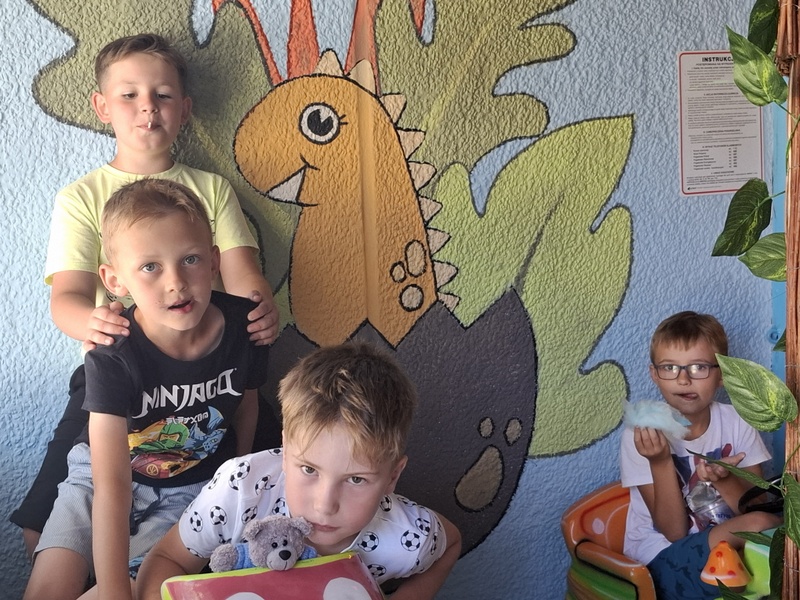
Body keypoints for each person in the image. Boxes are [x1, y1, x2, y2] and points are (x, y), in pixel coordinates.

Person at [10, 32, 280, 559]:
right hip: (120, 375)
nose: (148, 107)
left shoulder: (211, 189)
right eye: (129, 94)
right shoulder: (81, 197)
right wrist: (94, 325)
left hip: (213, 373)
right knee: (38, 526)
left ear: (185, 109)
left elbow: (243, 275)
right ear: (102, 107)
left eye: (162, 94)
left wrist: (260, 310)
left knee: (264, 498)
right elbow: (67, 297)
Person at [23, 179, 272, 600]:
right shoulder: (112, 352)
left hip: (190, 487)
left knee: (146, 588)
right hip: (99, 478)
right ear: (115, 280)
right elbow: (111, 485)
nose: (176, 282)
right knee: (51, 587)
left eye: (190, 259)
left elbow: (247, 407)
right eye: (150, 267)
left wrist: (234, 484)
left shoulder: (246, 328)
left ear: (214, 261)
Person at [136, 341, 462, 600]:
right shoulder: (239, 489)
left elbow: (451, 544)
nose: (324, 504)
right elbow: (167, 558)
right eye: (309, 469)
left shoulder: (407, 536)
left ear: (393, 476)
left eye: (356, 479)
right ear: (285, 450)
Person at [620, 311, 782, 599]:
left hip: (729, 540)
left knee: (771, 529)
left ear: (722, 374)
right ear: (655, 374)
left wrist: (725, 481)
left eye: (698, 367)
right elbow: (674, 532)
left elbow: (756, 509)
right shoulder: (642, 435)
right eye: (670, 367)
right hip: (659, 560)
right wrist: (660, 461)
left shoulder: (738, 422)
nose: (683, 379)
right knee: (760, 528)